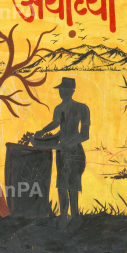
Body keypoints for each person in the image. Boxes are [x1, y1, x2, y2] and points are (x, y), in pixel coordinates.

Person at [34, 78, 90, 223]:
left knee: (73, 185)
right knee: (61, 185)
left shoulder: (82, 108)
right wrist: (43, 132)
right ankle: (64, 217)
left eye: (64, 89)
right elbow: (57, 125)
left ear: (71, 91)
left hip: (75, 152)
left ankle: (75, 216)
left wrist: (66, 145)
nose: (61, 92)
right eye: (60, 89)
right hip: (61, 152)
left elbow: (84, 134)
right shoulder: (59, 108)